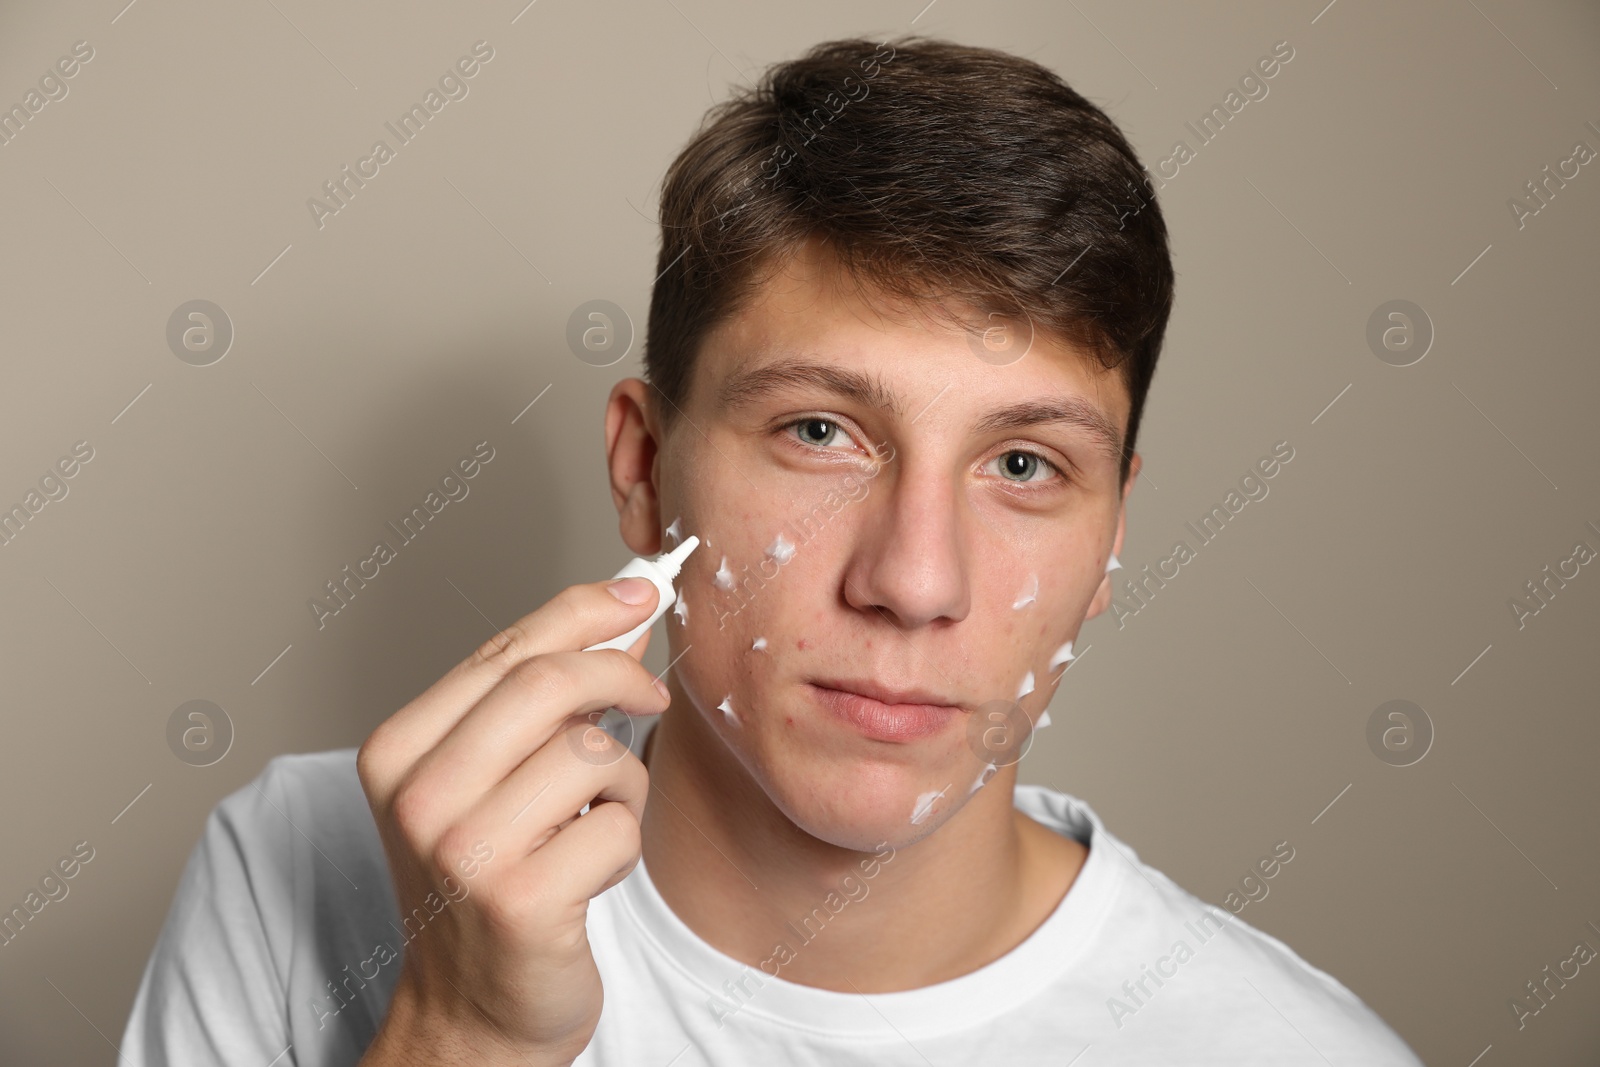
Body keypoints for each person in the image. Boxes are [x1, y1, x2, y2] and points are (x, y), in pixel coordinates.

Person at [121, 35, 1423, 1066]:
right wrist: (459, 1041)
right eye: (820, 431)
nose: (915, 582)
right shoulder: (299, 870)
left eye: (1024, 465)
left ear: (1113, 533)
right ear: (642, 466)